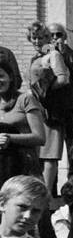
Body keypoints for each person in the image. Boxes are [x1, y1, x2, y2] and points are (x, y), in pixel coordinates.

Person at [26, 21, 73, 196]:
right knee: (39, 154)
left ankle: (45, 196)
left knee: (49, 155)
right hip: (38, 109)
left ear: (47, 38)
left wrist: (44, 91)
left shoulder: (53, 55)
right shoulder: (35, 57)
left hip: (51, 110)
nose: (37, 41)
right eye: (34, 38)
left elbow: (63, 79)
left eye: (41, 37)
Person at [0, 48, 47, 186]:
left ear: (10, 77)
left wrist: (9, 138)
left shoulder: (25, 99)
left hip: (24, 165)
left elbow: (40, 137)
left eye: (1, 76)